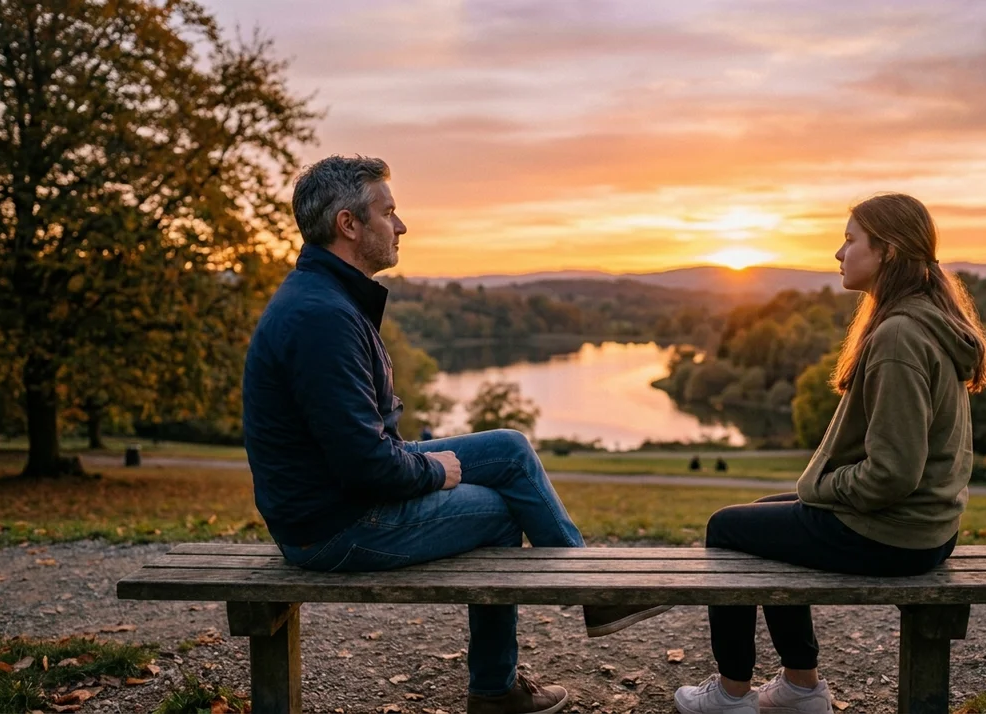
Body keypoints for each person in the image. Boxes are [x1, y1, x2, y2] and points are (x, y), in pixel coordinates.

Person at [242, 155, 669, 714]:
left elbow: (358, 448)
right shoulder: (323, 317)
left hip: (334, 496)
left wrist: (424, 467)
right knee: (498, 510)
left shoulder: (325, 297)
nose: (400, 225)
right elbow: (365, 466)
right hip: (332, 525)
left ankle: (592, 593)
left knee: (509, 449)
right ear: (348, 225)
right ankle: (495, 688)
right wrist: (435, 471)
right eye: (388, 212)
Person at [674, 193, 986, 714]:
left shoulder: (899, 336)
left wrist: (821, 489)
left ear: (887, 250)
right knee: (762, 520)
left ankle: (731, 694)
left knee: (725, 529)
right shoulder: (925, 320)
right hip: (928, 530)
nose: (838, 253)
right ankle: (801, 687)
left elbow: (892, 474)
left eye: (850, 240)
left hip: (896, 534)